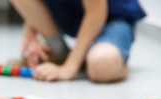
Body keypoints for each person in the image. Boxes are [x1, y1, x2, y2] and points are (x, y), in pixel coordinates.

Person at [9, 0, 146, 83]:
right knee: (93, 63)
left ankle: (115, 64)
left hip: (113, 18)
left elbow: (96, 13)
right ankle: (62, 53)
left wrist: (68, 69)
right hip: (72, 14)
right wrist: (30, 34)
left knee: (102, 65)